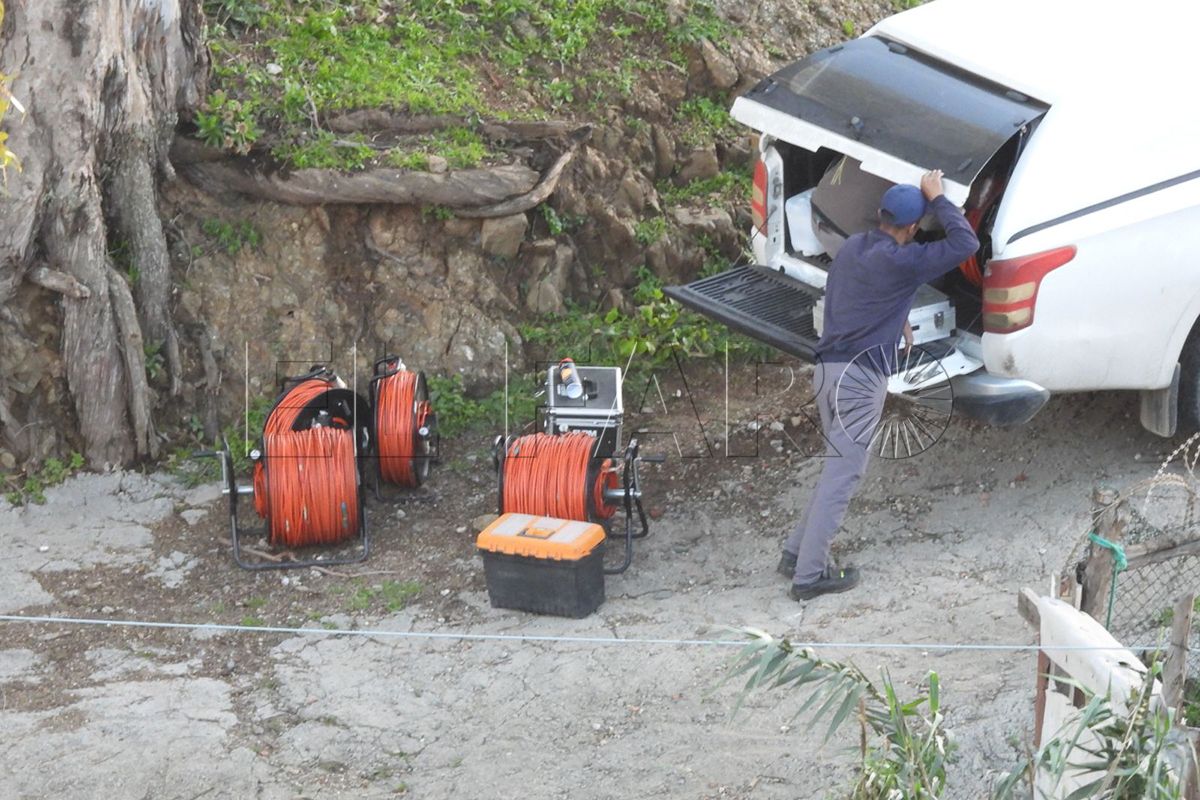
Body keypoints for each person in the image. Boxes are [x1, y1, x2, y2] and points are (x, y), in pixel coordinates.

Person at [779, 169, 980, 600]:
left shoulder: (854, 248)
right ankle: (809, 577)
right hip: (859, 379)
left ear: (879, 214)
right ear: (911, 228)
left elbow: (860, 294)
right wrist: (940, 198)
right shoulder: (905, 262)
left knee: (835, 468)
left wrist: (896, 317)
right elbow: (967, 244)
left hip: (827, 371)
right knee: (845, 474)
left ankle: (796, 553)